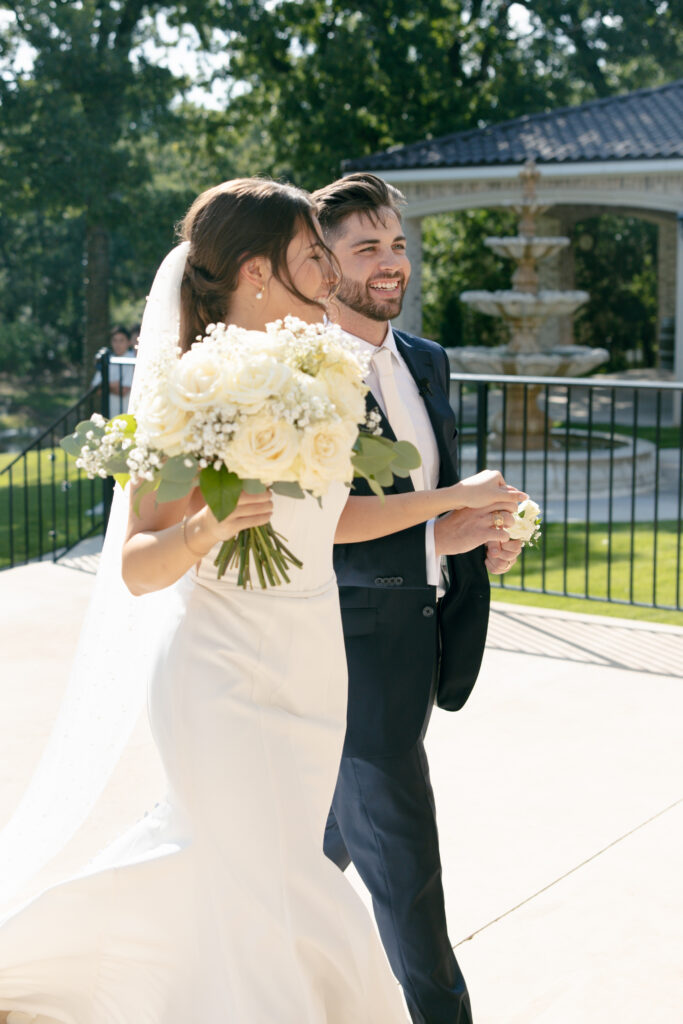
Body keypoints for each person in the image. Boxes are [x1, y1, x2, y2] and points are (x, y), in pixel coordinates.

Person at [0, 177, 522, 1024]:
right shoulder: (189, 388)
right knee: (261, 873)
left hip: (309, 662)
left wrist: (442, 505)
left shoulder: (320, 372)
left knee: (248, 865)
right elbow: (136, 565)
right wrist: (203, 530)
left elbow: (325, 522)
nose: (328, 271)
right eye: (313, 255)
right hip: (217, 666)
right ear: (254, 270)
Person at [313, 172, 524, 1024]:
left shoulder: (426, 360)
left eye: (396, 242)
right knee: (408, 880)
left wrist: (473, 541)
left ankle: (209, 971)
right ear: (321, 266)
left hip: (421, 642)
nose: (390, 261)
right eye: (366, 247)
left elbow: (428, 505)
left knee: (308, 853)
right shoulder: (300, 375)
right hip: (347, 656)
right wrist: (440, 523)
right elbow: (314, 531)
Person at [91, 325, 136, 415]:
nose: (117, 344)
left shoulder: (133, 360)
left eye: (121, 340)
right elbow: (95, 389)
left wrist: (105, 386)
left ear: (128, 342)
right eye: (115, 340)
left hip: (127, 413)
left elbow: (124, 391)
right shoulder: (108, 359)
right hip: (110, 413)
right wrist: (114, 384)